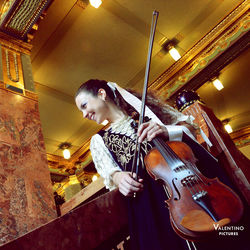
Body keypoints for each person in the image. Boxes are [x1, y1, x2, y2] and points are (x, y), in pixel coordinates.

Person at [75, 79, 248, 250]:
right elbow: (110, 172)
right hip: (152, 207)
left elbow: (191, 132)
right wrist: (118, 177)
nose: (83, 115)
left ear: (101, 94)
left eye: (84, 105)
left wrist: (167, 131)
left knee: (227, 235)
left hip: (191, 186)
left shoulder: (148, 111)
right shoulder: (99, 141)